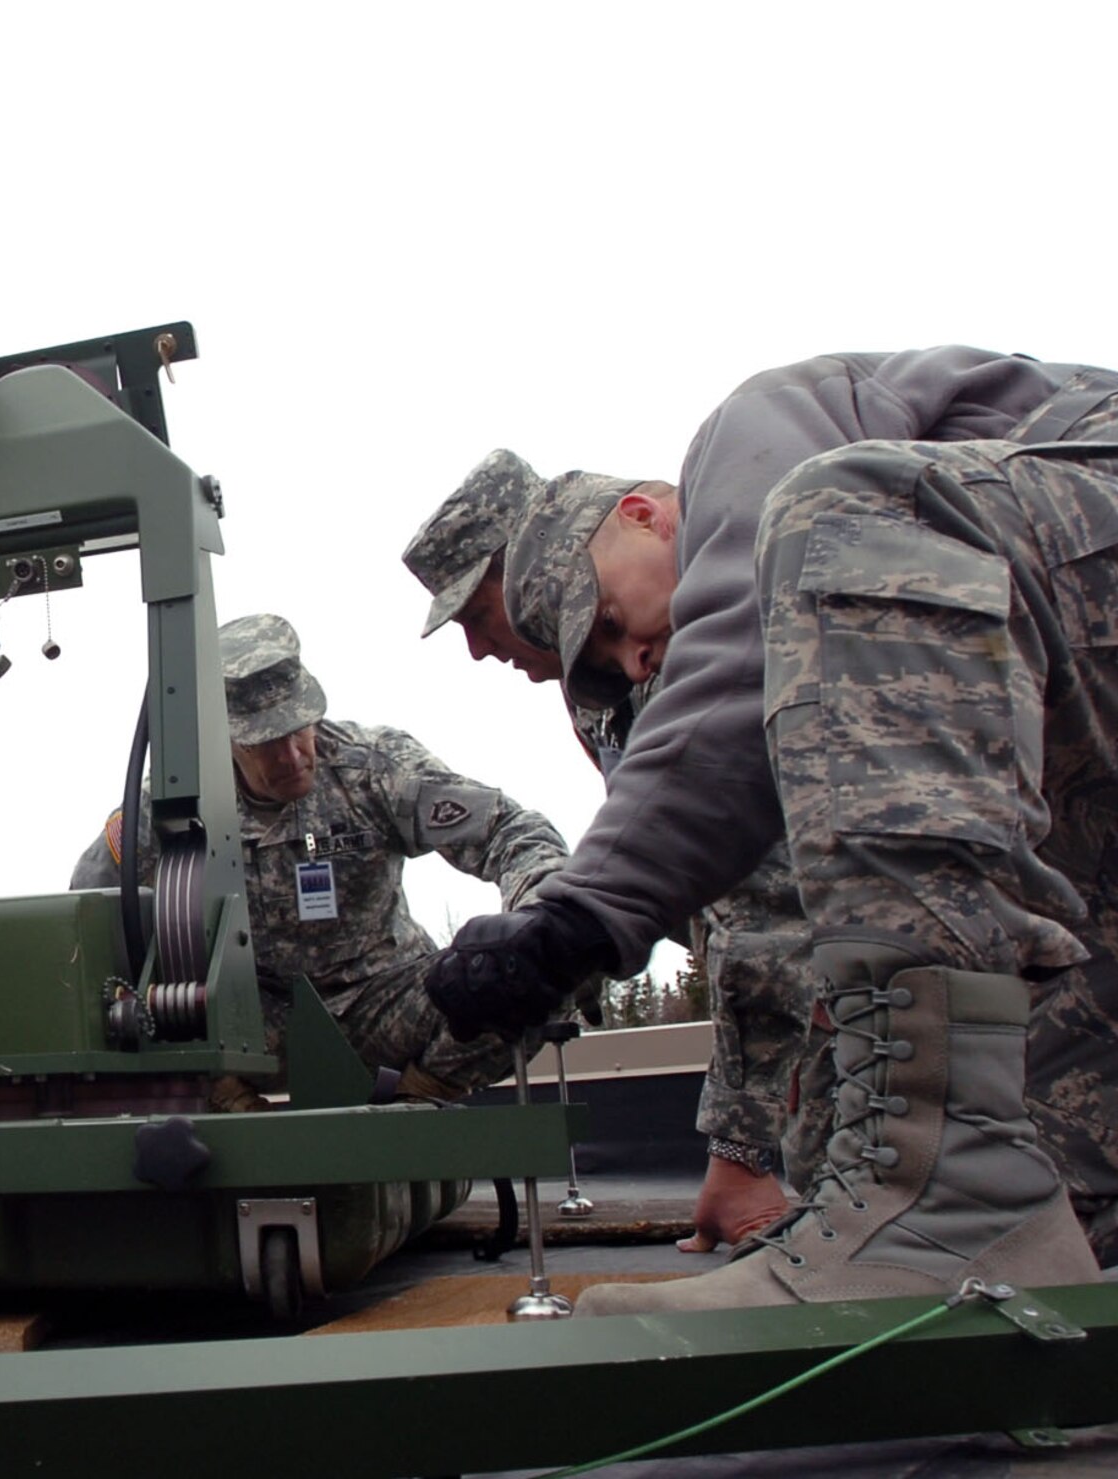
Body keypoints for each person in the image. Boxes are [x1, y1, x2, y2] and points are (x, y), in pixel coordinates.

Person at [428, 347, 1118, 1313]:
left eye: (614, 625)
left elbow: (740, 663)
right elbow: (782, 920)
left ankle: (945, 1199)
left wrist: (577, 920)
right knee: (1035, 1228)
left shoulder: (754, 437)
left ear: (642, 514)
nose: (636, 665)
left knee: (831, 514)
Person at [403, 454, 827, 1251]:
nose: (477, 649)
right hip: (805, 1030)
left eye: (477, 611)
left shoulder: (677, 638)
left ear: (531, 563)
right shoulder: (608, 685)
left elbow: (761, 909)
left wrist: (738, 1155)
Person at [71, 613, 571, 1104]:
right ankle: (232, 1111)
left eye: (298, 730)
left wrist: (537, 918)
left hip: (385, 1002)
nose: (290, 755)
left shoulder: (372, 767)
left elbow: (510, 829)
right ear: (222, 737)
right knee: (125, 1010)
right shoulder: (173, 803)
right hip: (249, 1021)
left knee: (546, 962)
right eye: (265, 743)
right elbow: (84, 914)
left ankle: (416, 1100)